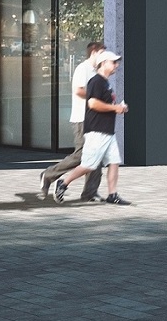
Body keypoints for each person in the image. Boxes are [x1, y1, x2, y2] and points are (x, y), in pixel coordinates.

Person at [55, 51, 133, 206]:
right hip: (96, 131)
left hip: (107, 132)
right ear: (103, 63)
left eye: (117, 62)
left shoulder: (105, 82)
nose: (116, 65)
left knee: (114, 162)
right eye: (113, 62)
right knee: (89, 165)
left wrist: (118, 108)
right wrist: (114, 108)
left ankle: (112, 194)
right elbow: (93, 104)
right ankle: (63, 182)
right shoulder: (96, 81)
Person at [39, 40, 105, 201]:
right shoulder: (83, 69)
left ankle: (89, 193)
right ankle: (48, 175)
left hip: (95, 119)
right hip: (82, 119)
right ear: (94, 52)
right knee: (82, 155)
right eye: (102, 53)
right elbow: (79, 90)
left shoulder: (97, 71)